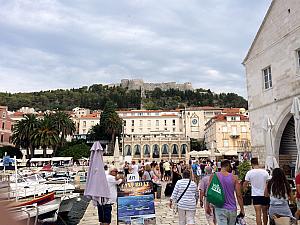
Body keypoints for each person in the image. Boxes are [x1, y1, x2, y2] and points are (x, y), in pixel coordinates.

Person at [206, 159, 244, 225]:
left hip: (220, 207)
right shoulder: (234, 178)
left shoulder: (213, 176)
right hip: (232, 208)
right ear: (228, 165)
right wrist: (242, 209)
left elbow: (209, 192)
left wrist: (207, 205)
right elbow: (239, 195)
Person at [243, 158, 270, 225]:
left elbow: (245, 183)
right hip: (265, 194)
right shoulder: (265, 172)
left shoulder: (249, 172)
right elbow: (268, 182)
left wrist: (244, 189)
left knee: (258, 213)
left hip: (255, 195)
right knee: (265, 212)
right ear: (258, 163)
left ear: (251, 164)